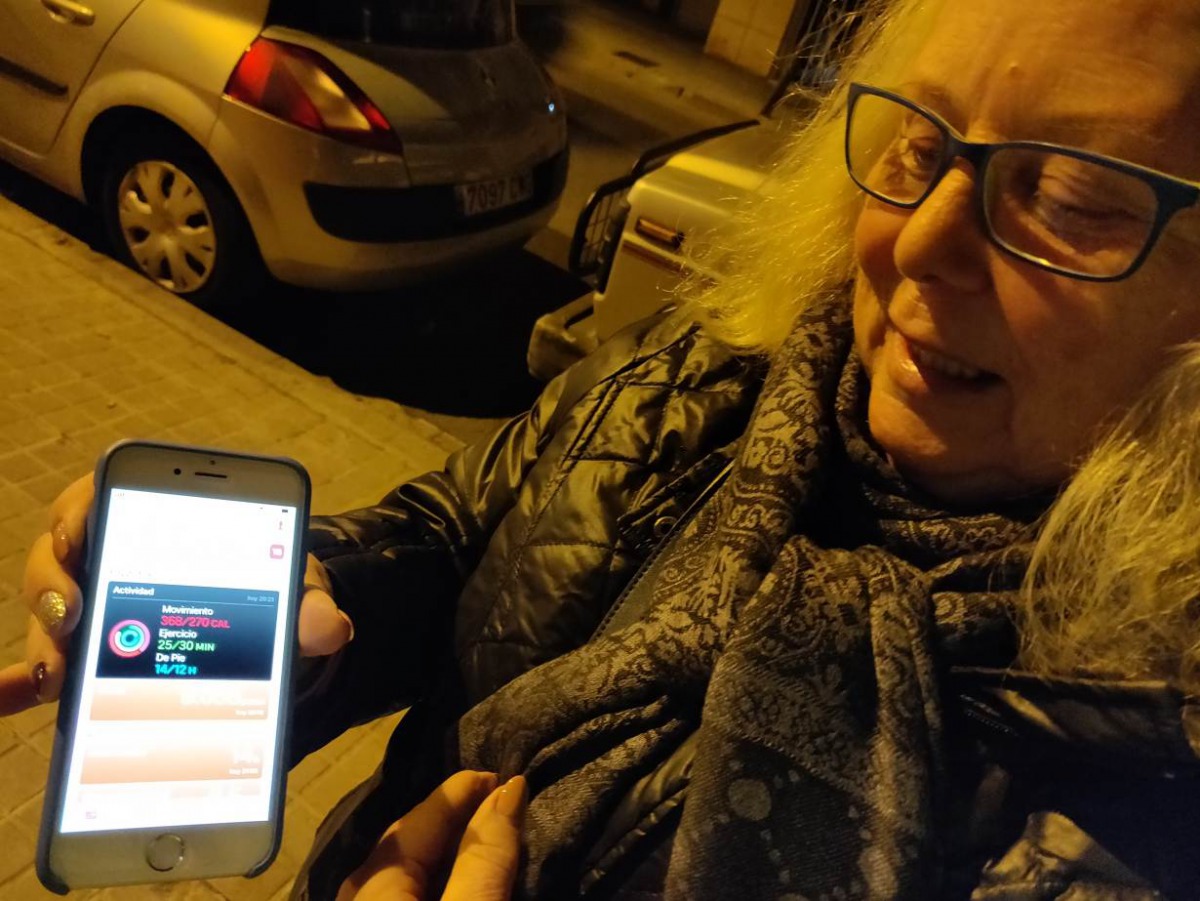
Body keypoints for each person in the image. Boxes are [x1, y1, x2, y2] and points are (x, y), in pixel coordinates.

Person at [7, 0, 1200, 896]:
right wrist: (271, 614)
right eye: (916, 145)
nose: (917, 241)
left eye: (1070, 198)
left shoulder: (1151, 800)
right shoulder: (725, 367)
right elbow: (466, 540)